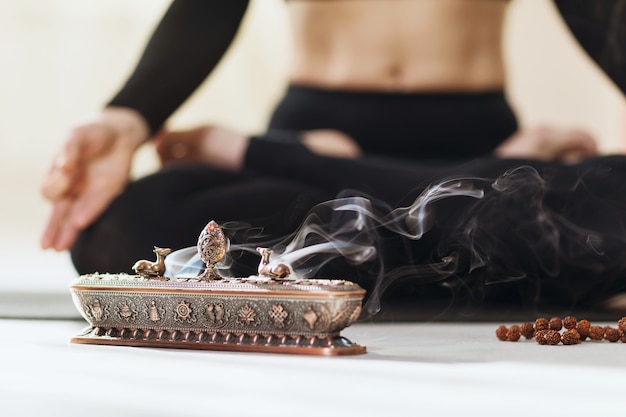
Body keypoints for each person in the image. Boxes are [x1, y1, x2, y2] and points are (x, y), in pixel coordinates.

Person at [40, 0, 626, 316]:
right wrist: (128, 115)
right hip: (460, 175)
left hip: (469, 149)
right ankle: (481, 254)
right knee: (123, 229)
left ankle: (360, 258)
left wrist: (251, 155)